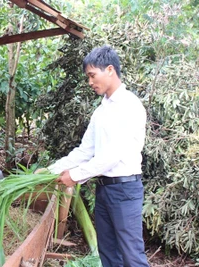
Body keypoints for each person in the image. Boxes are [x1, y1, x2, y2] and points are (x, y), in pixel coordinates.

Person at [46, 45, 149, 267]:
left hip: (124, 191)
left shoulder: (129, 106)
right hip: (105, 189)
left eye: (92, 75)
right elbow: (85, 151)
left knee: (132, 256)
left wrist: (75, 175)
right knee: (108, 254)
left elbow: (111, 156)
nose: (90, 82)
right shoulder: (101, 110)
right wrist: (50, 171)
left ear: (110, 69)